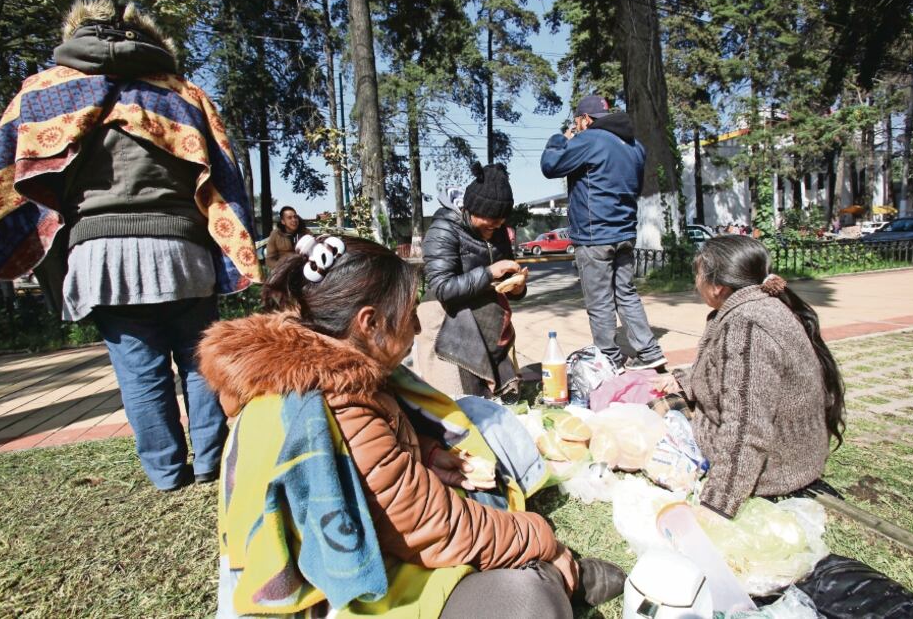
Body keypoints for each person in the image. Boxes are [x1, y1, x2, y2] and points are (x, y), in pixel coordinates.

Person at [197, 236, 624, 618]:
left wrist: (428, 452)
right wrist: (544, 539)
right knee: (526, 599)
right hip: (347, 594)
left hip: (392, 544)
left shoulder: (330, 372)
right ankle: (559, 578)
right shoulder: (337, 401)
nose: (418, 328)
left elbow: (376, 458)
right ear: (369, 323)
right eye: (408, 315)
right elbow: (437, 527)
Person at [0, 0, 261, 491]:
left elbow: (11, 181)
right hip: (183, 251)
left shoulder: (40, 94)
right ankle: (211, 462)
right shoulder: (183, 94)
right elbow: (225, 181)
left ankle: (168, 474)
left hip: (98, 256)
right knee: (199, 359)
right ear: (151, 38)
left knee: (140, 372)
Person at [653, 235, 846, 518]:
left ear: (717, 286)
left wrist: (715, 506)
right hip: (791, 457)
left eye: (698, 275)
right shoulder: (760, 304)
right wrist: (682, 379)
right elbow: (731, 370)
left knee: (655, 416)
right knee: (661, 403)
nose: (695, 284)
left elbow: (745, 427)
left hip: (775, 471)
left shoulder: (747, 326)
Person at [540, 94, 666, 371]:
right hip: (624, 232)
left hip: (594, 234)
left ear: (585, 120)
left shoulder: (590, 139)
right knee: (626, 294)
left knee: (599, 301)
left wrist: (560, 139)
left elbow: (550, 166)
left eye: (577, 122)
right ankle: (650, 351)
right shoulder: (635, 147)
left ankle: (609, 359)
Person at [421, 162, 527, 400]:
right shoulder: (444, 230)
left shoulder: (497, 229)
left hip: (486, 309)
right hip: (446, 312)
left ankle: (498, 392)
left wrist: (517, 286)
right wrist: (489, 272)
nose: (496, 227)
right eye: (490, 220)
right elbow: (442, 287)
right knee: (462, 398)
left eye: (500, 221)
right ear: (471, 209)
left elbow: (504, 280)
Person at [265, 205, 307, 271]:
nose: (294, 220)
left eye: (295, 217)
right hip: (283, 270)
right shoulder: (276, 234)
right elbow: (269, 259)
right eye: (289, 218)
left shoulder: (305, 232)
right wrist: (281, 268)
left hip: (303, 269)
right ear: (283, 221)